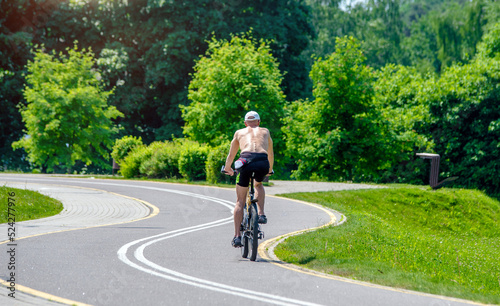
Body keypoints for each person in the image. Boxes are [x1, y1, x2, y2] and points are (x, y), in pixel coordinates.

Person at [224, 111, 274, 247]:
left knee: (240, 201)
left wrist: (227, 168)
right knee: (258, 185)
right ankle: (262, 214)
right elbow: (270, 153)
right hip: (262, 161)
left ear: (245, 123)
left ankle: (237, 236)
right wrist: (269, 170)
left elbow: (231, 154)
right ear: (259, 122)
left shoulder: (239, 132)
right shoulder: (265, 131)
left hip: (245, 160)